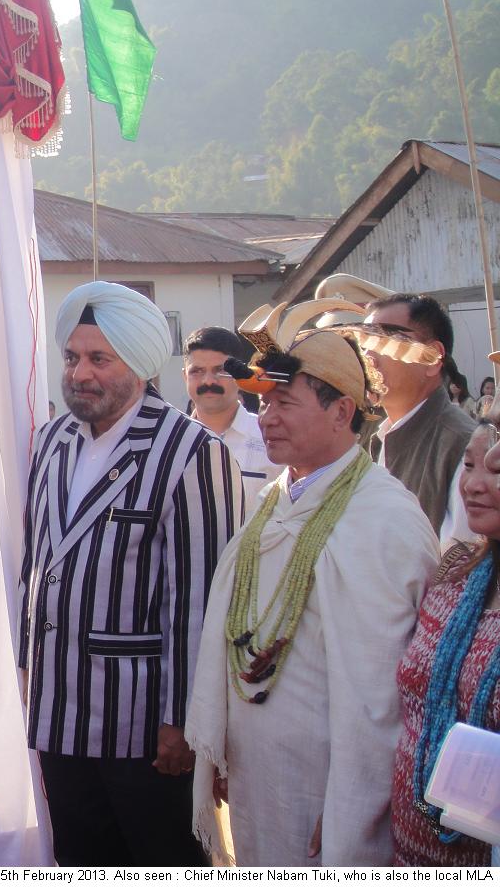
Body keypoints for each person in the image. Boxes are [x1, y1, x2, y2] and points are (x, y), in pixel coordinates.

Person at [187, 302, 439, 867]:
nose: (267, 417)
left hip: (327, 792)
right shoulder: (274, 498)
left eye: (285, 403)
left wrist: (355, 811)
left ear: (341, 410)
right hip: (258, 782)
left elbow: (382, 696)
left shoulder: (384, 518)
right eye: (264, 402)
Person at [20, 281, 243, 866]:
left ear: (140, 365)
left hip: (143, 727)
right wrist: (24, 669)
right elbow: (37, 562)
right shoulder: (51, 441)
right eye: (72, 358)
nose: (80, 374)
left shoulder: (191, 451)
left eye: (99, 359)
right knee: (80, 857)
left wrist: (184, 721)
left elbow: (199, 596)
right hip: (59, 711)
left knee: (159, 857)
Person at [391, 395, 500, 867]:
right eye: (470, 465)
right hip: (408, 844)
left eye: (497, 472)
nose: (473, 485)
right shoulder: (454, 569)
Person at [365, 293, 475, 551]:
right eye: (365, 341)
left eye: (384, 340)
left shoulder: (462, 445)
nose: (368, 355)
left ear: (432, 358)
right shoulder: (377, 439)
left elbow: (461, 564)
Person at [183, 326, 282, 502]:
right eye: (197, 371)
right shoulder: (171, 440)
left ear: (240, 373)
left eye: (220, 370)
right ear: (185, 377)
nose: (208, 381)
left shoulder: (271, 439)